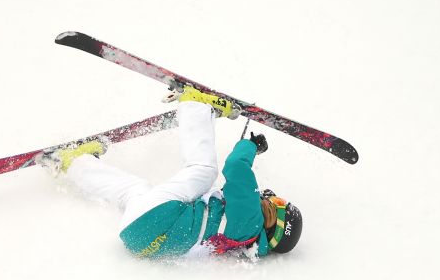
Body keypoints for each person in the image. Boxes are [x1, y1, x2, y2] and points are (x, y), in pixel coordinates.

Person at [37, 86, 302, 258]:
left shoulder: (250, 218)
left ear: (273, 224)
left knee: (204, 170)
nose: (270, 201)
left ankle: (195, 105)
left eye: (275, 206)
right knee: (134, 192)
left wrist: (250, 147)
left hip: (159, 219)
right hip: (138, 238)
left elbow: (235, 167)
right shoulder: (241, 242)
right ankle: (71, 163)